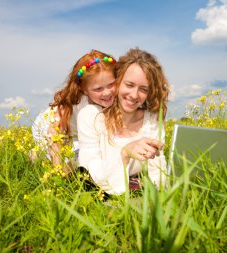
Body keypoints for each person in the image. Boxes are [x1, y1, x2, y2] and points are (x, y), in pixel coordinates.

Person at [77, 48, 170, 195]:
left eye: (143, 89)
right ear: (118, 81)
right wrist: (125, 153)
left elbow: (157, 169)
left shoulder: (152, 121)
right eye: (129, 85)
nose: (134, 95)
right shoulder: (91, 117)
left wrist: (161, 199)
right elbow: (88, 175)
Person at [31, 50, 116, 174]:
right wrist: (58, 170)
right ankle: (36, 155)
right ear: (84, 89)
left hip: (79, 134)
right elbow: (54, 133)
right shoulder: (76, 104)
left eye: (111, 85)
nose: (107, 93)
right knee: (77, 163)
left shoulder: (120, 96)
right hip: (52, 129)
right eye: (98, 89)